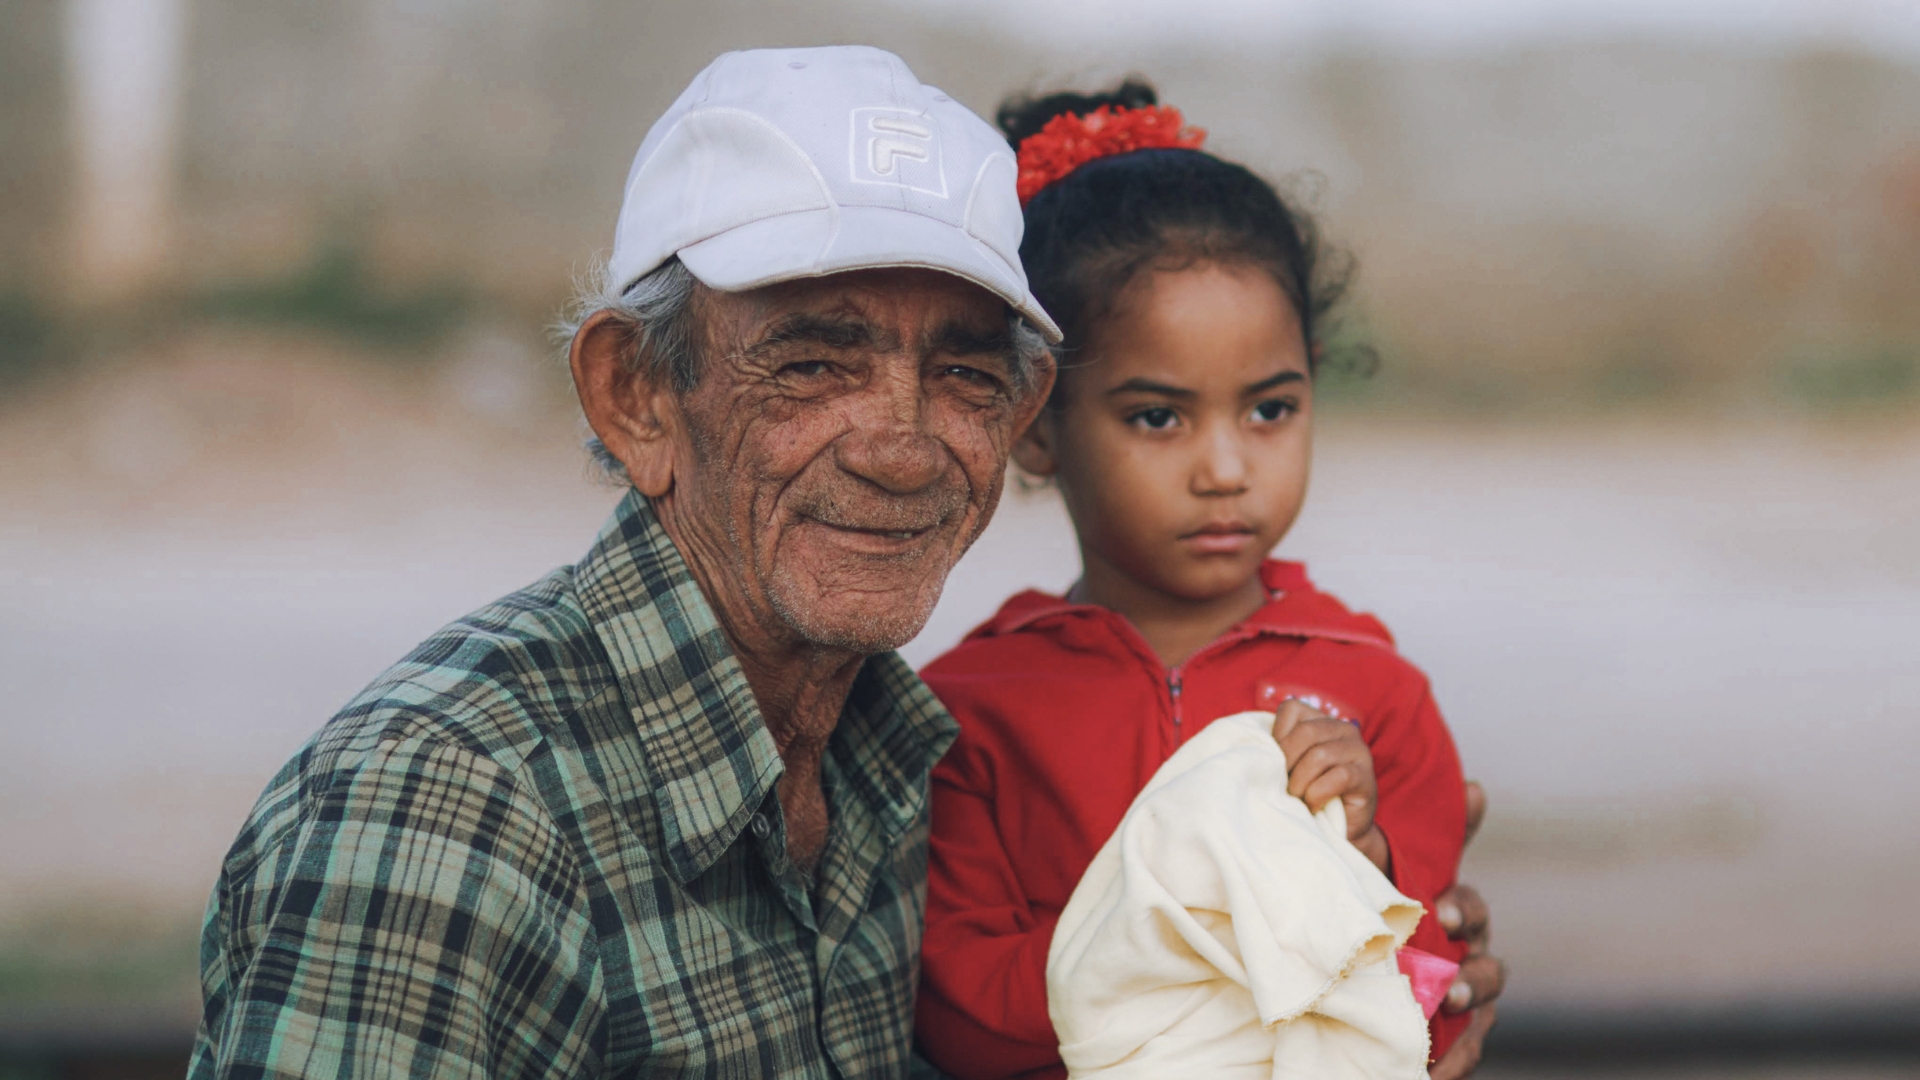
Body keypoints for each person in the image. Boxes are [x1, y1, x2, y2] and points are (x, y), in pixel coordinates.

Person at [189, 46, 1062, 1078]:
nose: (904, 449)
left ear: (1019, 418)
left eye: (965, 374)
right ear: (636, 397)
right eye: (813, 365)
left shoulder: (885, 759)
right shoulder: (458, 805)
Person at [914, 81, 1504, 1079]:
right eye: (1158, 417)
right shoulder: (968, 717)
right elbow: (962, 1019)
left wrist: (1363, 858)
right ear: (1035, 425)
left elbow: (1427, 1013)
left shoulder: (1376, 696)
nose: (1226, 468)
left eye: (1269, 409)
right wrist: (1256, 950)